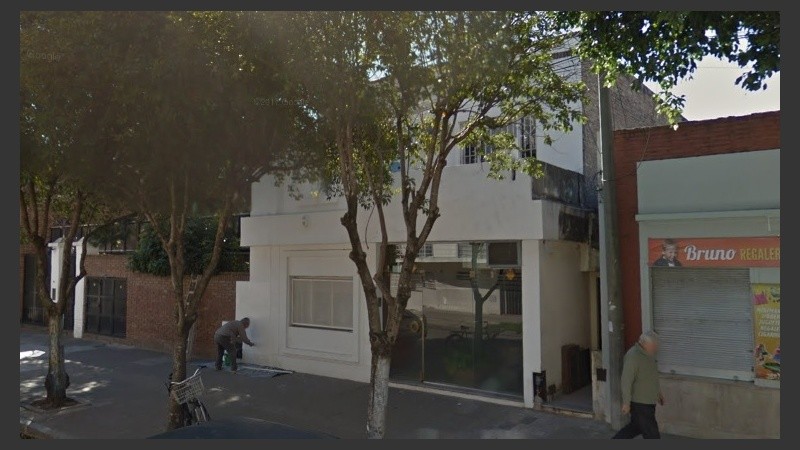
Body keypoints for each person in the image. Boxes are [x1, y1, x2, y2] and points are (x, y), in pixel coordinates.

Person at [613, 331, 664, 439]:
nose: (656, 348)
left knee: (636, 427)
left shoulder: (649, 355)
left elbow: (652, 377)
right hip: (640, 403)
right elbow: (626, 381)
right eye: (654, 346)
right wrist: (626, 403)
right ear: (644, 343)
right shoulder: (633, 356)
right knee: (652, 435)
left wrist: (658, 393)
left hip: (649, 401)